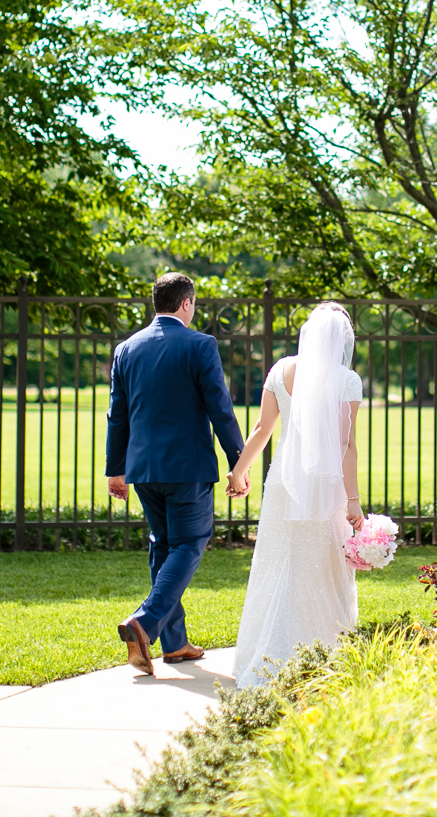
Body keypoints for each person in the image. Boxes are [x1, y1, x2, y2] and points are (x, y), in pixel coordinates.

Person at [105, 273, 246, 675]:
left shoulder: (126, 348)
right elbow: (219, 407)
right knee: (191, 542)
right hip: (187, 468)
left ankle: (176, 642)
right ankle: (145, 622)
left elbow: (118, 415)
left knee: (163, 546)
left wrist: (116, 470)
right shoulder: (201, 345)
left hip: (143, 468)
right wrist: (238, 462)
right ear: (186, 303)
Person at [227, 301, 364, 688]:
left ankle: (270, 652)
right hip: (326, 484)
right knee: (324, 565)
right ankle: (324, 651)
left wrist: (239, 471)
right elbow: (345, 446)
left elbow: (261, 429)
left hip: (284, 480)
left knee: (279, 561)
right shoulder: (347, 380)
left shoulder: (281, 369)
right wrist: (353, 500)